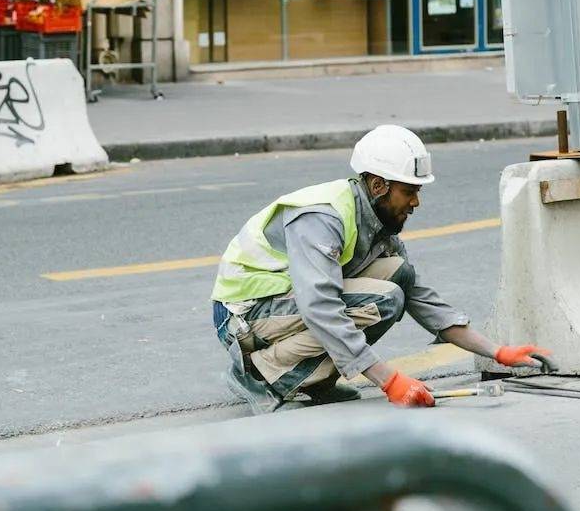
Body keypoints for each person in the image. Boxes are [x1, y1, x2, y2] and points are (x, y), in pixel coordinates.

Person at [210, 124, 550, 413]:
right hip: (244, 316)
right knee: (382, 299)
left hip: (281, 307)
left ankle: (315, 380)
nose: (416, 203)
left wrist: (497, 351)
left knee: (398, 275)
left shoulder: (375, 221)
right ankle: (259, 374)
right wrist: (389, 380)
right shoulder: (322, 217)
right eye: (409, 192)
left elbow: (420, 298)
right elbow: (321, 307)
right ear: (378, 185)